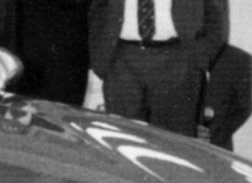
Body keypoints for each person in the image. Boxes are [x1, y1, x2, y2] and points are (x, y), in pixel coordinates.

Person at [83, 0, 225, 137]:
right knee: (123, 136)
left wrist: (200, 57)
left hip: (176, 60)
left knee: (172, 140)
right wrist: (101, 58)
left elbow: (214, 11)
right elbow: (98, 9)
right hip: (122, 62)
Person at [197, 43, 251, 151]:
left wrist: (214, 134)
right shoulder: (180, 54)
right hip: (184, 144)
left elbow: (244, 108)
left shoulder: (238, 59)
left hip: (218, 147)